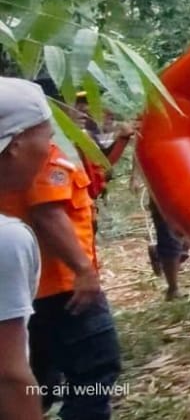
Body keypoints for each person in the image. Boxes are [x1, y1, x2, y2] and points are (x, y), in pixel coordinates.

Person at [0, 100, 122, 420]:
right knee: (95, 373)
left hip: (31, 289)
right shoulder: (39, 158)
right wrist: (82, 270)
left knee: (38, 376)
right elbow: (47, 212)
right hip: (61, 287)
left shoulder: (26, 154)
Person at [0, 79, 56, 420]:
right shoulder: (6, 238)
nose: (50, 150)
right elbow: (8, 376)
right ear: (16, 144)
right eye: (47, 138)